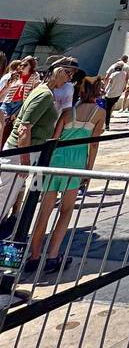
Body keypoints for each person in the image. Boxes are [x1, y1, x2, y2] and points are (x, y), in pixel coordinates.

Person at [24, 78, 105, 274]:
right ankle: (53, 256)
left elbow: (55, 138)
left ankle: (34, 256)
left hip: (56, 160)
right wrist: (89, 170)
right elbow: (94, 144)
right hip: (75, 164)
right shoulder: (99, 113)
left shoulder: (68, 112)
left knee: (44, 212)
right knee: (66, 211)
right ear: (97, 91)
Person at [0, 61, 75, 239]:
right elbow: (24, 128)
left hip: (24, 151)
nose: (69, 78)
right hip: (19, 153)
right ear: (57, 72)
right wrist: (25, 160)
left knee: (8, 195)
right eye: (67, 73)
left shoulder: (46, 92)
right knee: (4, 196)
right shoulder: (44, 95)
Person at [0, 59, 39, 148]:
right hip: (8, 101)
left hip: (21, 103)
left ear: (31, 66)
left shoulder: (34, 76)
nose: (22, 67)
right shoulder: (15, 74)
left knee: (12, 125)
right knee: (2, 123)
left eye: (25, 65)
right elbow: (7, 87)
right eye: (21, 64)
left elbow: (34, 89)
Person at [101, 55, 129, 130]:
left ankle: (106, 124)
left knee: (106, 109)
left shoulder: (113, 74)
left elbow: (109, 82)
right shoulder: (124, 74)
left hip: (109, 94)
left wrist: (104, 89)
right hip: (117, 94)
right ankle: (106, 122)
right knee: (110, 107)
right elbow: (126, 81)